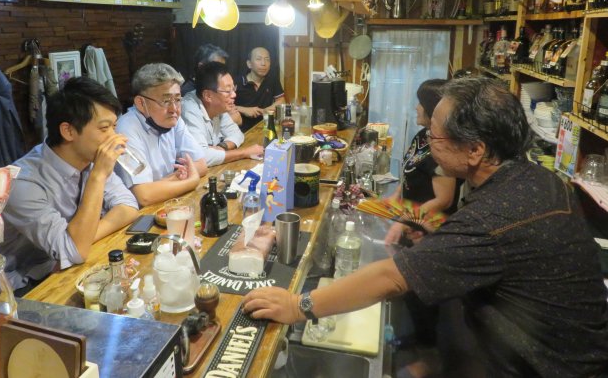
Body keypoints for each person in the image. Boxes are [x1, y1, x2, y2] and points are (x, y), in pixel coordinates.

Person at [243, 77, 608, 377]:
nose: (430, 144)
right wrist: (443, 238)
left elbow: (392, 277)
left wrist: (298, 305)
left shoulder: (492, 217)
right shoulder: (540, 180)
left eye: (435, 137)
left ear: (475, 150)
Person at [0, 77, 140, 295]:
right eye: (104, 128)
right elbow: (75, 251)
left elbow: (129, 206)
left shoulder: (90, 159)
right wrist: (97, 177)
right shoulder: (22, 183)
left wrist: (82, 238)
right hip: (18, 287)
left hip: (63, 266)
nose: (115, 138)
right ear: (68, 131)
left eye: (114, 127)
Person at [116, 63, 208, 207]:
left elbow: (201, 164)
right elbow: (145, 196)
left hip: (165, 203)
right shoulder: (125, 131)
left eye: (177, 99)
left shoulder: (173, 119)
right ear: (141, 103)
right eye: (166, 101)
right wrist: (191, 181)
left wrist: (167, 182)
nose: (174, 109)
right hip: (137, 214)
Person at [386, 79, 459, 244]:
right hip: (411, 221)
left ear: (432, 109)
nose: (416, 108)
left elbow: (444, 200)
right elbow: (411, 167)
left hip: (428, 230)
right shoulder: (423, 135)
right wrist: (396, 196)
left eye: (421, 103)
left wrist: (405, 220)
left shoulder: (442, 146)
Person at [181, 61, 263, 166]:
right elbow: (200, 157)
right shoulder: (189, 108)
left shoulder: (218, 106)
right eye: (228, 91)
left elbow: (237, 134)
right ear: (208, 96)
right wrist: (245, 152)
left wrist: (222, 147)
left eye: (233, 89)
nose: (234, 95)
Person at [181, 43, 242, 125]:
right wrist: (229, 121)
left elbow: (238, 118)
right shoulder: (186, 94)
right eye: (216, 67)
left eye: (222, 68)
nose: (221, 73)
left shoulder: (220, 86)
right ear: (201, 67)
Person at [235, 47, 284, 132]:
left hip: (265, 128)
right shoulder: (237, 82)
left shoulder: (272, 79)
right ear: (249, 64)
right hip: (242, 131)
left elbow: (281, 100)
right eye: (258, 59)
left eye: (267, 59)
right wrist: (244, 110)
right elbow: (224, 108)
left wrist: (267, 110)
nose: (263, 63)